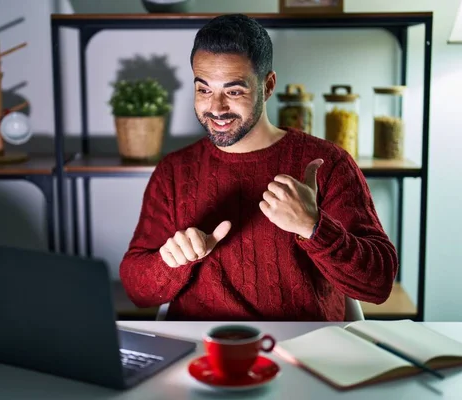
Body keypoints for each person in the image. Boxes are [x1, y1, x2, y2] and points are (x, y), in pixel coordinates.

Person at [119, 14, 398, 321]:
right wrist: (170, 262)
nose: (216, 107)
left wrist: (313, 226)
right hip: (204, 352)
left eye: (234, 91)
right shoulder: (174, 171)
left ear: (267, 86)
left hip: (301, 350)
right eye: (204, 89)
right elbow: (137, 291)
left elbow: (378, 285)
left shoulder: (327, 164)